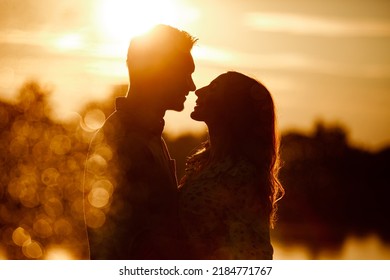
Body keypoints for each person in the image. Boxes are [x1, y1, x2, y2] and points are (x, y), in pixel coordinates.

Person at [84, 24, 197, 259]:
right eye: (185, 74)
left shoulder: (148, 134)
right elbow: (136, 244)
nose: (191, 86)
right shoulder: (124, 141)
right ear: (159, 72)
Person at [178, 71, 284, 259]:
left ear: (232, 106)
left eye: (213, 89)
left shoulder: (240, 175)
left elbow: (253, 253)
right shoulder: (203, 164)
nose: (198, 91)